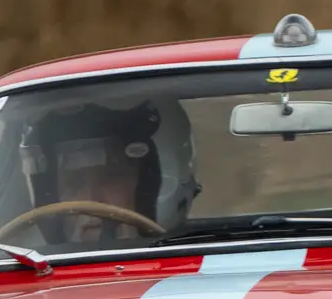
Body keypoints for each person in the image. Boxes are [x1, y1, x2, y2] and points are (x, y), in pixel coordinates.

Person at [16, 99, 198, 248]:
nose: (90, 200)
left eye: (111, 177)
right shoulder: (19, 268)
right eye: (74, 182)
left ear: (156, 183)